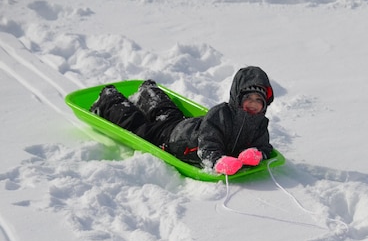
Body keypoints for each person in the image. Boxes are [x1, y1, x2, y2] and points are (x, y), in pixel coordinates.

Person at [90, 66, 274, 175]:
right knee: (139, 126)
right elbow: (207, 145)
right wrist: (217, 160)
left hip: (187, 127)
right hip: (176, 140)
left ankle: (148, 91)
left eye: (259, 100)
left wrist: (257, 154)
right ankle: (108, 99)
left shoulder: (259, 123)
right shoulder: (221, 114)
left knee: (167, 114)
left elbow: (264, 145)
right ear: (237, 98)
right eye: (248, 98)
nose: (253, 104)